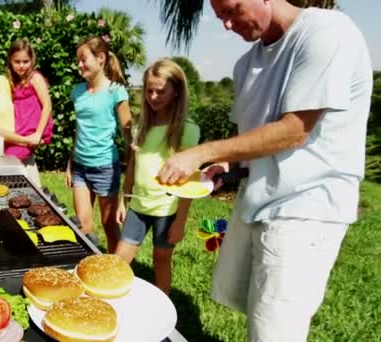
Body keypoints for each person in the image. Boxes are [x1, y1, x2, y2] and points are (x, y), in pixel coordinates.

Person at [157, 1, 373, 341]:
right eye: (221, 17)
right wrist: (223, 166)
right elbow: (247, 138)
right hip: (258, 199)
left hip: (307, 207)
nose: (227, 25)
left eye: (232, 10)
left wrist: (201, 152)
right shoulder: (246, 64)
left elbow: (294, 130)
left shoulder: (325, 33)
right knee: (251, 306)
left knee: (275, 329)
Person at [115, 59, 200, 294]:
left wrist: (181, 220)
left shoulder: (187, 129)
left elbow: (189, 181)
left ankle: (164, 309)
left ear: (176, 92)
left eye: (160, 91)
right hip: (139, 207)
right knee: (119, 260)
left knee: (161, 258)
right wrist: (124, 198)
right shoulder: (140, 125)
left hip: (167, 210)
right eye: (149, 90)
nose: (153, 96)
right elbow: (133, 164)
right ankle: (109, 302)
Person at [65, 36, 132, 253]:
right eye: (78, 61)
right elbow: (79, 130)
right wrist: (70, 163)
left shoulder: (116, 92)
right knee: (82, 226)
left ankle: (115, 269)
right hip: (80, 168)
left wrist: (132, 166)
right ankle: (87, 266)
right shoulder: (78, 92)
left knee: (109, 225)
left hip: (105, 167)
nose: (79, 65)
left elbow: (128, 133)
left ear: (101, 58)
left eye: (84, 60)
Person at [6, 38, 54, 187]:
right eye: (17, 62)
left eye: (25, 61)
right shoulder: (14, 82)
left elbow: (47, 104)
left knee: (12, 158)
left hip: (32, 131)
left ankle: (27, 189)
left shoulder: (35, 78)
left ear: (32, 60)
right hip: (21, 131)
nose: (21, 66)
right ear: (10, 62)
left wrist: (39, 133)